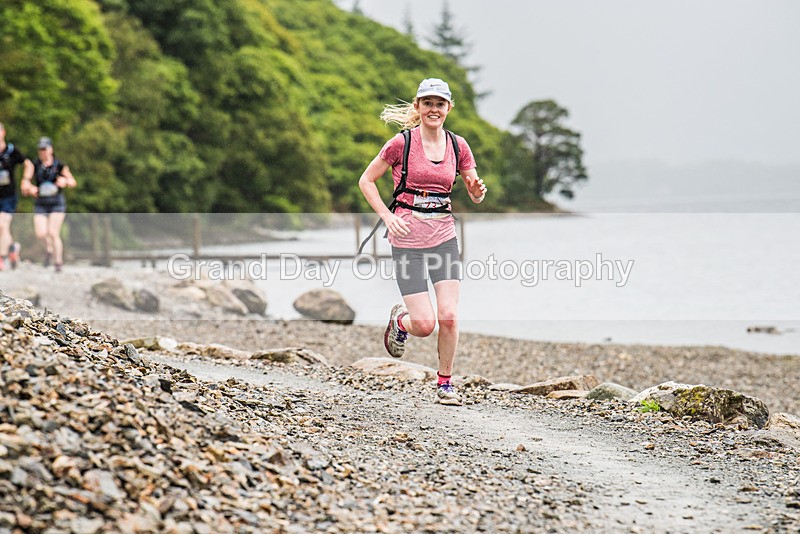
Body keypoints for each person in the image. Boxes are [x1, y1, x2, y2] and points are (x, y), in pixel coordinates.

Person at [358, 78, 487, 406]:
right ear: (417, 106)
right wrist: (388, 218)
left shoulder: (459, 146)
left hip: (444, 237)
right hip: (407, 241)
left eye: (439, 104)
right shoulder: (401, 143)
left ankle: (445, 383)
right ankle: (401, 320)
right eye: (427, 103)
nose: (433, 109)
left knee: (449, 316)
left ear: (448, 108)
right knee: (425, 324)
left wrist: (475, 192)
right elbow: (366, 180)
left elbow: (473, 188)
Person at [20, 137, 77, 272]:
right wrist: (29, 188)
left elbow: (73, 181)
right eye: (40, 149)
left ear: (51, 149)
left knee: (53, 232)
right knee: (40, 233)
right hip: (41, 203)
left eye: (44, 149)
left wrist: (65, 181)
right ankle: (49, 250)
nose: (42, 152)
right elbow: (25, 183)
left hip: (56, 203)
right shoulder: (34, 165)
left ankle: (58, 262)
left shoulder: (59, 165)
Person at [0, 122, 33, 270]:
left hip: (8, 196)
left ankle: (1, 258)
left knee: (2, 224)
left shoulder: (12, 151)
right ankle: (12, 249)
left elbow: (29, 165)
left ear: (3, 133)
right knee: (3, 227)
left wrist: (25, 180)